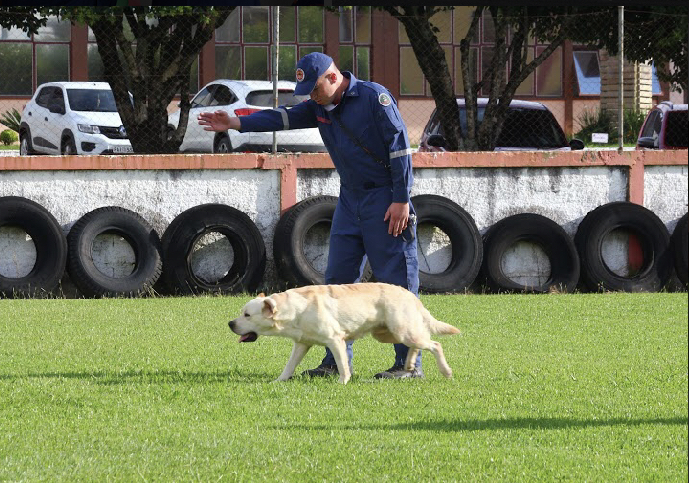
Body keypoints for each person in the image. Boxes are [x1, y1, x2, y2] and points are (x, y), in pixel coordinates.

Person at [198, 52, 422, 379]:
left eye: (315, 89)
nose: (312, 98)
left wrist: (401, 199)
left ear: (332, 77)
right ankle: (334, 363)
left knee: (396, 279)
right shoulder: (319, 106)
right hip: (350, 199)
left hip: (385, 198)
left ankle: (408, 366)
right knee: (336, 283)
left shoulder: (375, 97)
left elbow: (400, 148)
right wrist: (236, 122)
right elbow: (280, 118)